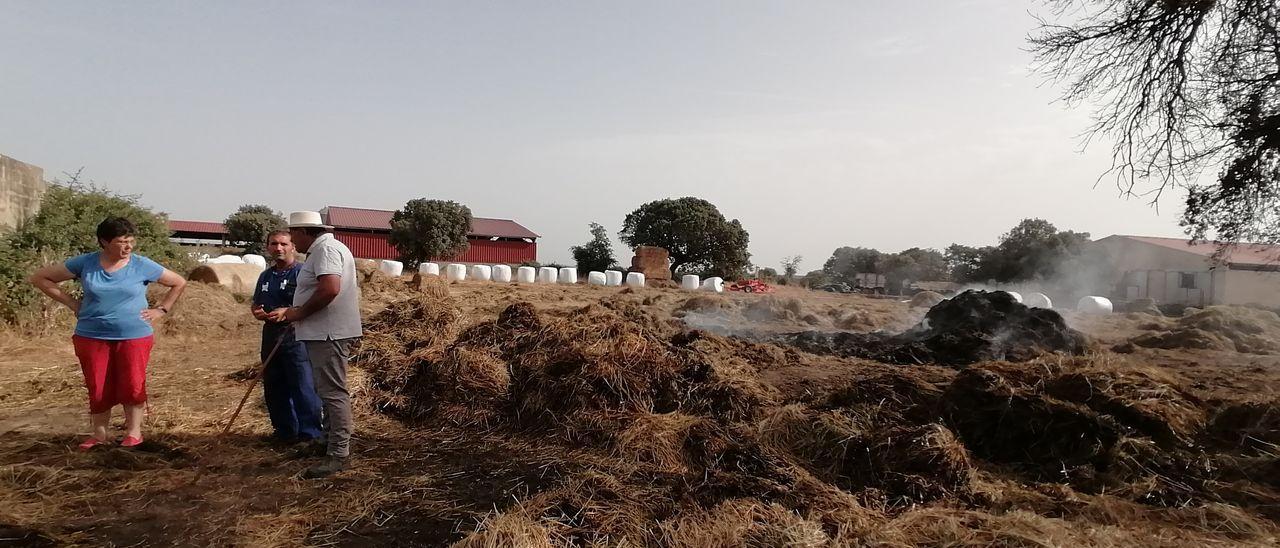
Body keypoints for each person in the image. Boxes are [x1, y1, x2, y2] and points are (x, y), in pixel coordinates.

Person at [28, 217, 187, 450]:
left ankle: (134, 433)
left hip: (134, 335)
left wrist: (161, 309)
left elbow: (178, 282)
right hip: (91, 335)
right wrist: (72, 304)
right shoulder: (85, 263)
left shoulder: (141, 265)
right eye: (122, 242)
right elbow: (41, 277)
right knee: (98, 384)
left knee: (132, 383)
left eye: (131, 241)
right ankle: (100, 435)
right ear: (104, 241)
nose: (128, 247)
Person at [267, 211, 362, 479]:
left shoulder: (326, 250)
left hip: (328, 333)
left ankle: (339, 453)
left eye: (294, 234)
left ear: (306, 232)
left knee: (333, 393)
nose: (293, 241)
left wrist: (298, 313)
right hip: (322, 332)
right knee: (326, 390)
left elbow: (330, 288)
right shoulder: (325, 249)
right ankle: (328, 441)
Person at [251, 230, 323, 445]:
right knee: (274, 386)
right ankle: (284, 432)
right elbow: (256, 303)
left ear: (292, 247)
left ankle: (310, 434)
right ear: (268, 247)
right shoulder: (265, 276)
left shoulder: (302, 273)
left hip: (296, 334)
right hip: (271, 335)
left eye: (283, 244)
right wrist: (257, 312)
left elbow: (313, 303)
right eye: (274, 244)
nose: (278, 248)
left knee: (302, 385)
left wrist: (289, 311)